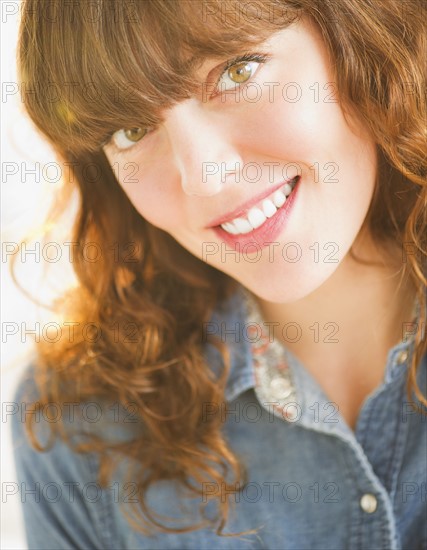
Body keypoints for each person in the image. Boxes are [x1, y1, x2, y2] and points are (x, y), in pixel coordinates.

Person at [10, 0, 426, 548]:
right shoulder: (78, 428)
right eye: (132, 129)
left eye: (237, 72)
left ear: (356, 33)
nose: (204, 177)